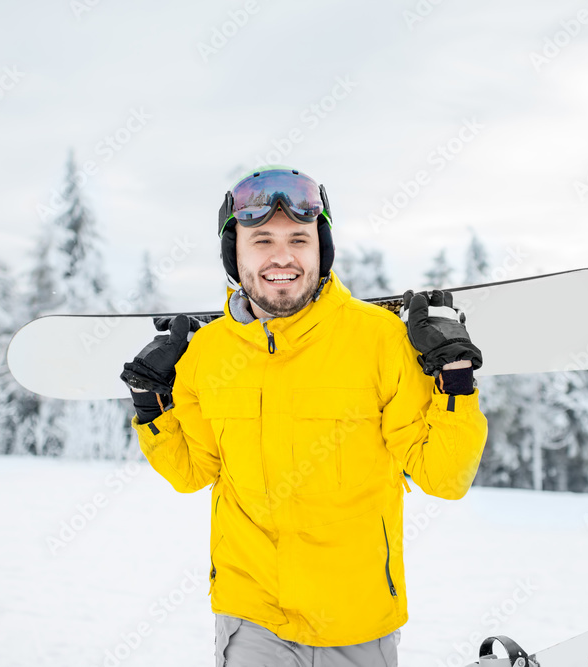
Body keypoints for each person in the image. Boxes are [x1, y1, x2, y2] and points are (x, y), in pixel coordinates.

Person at [120, 167, 488, 666]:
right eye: (261, 239)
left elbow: (445, 477)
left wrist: (456, 378)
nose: (282, 256)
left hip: (357, 624)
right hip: (251, 620)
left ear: (321, 249)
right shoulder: (207, 354)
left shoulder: (378, 339)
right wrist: (150, 406)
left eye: (299, 238)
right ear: (235, 253)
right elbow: (192, 473)